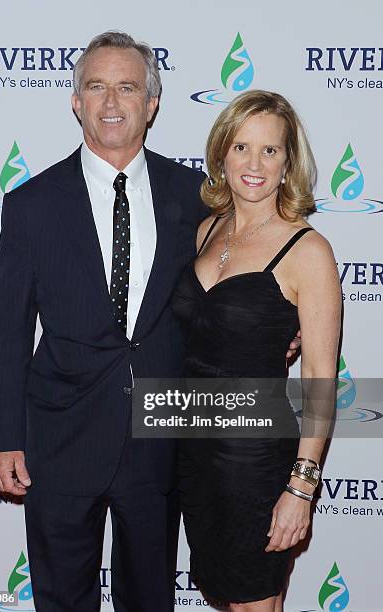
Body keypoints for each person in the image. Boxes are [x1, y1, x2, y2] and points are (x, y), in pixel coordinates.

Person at [0, 32, 301, 611]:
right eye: (96, 87)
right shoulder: (32, 203)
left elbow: (245, 279)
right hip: (60, 440)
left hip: (163, 438)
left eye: (127, 87)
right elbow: (7, 330)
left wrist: (283, 325)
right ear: (75, 101)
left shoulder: (198, 199)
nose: (111, 102)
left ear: (151, 104)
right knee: (61, 599)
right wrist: (3, 437)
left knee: (151, 598)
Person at [173, 90, 341, 611]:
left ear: (289, 161)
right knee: (224, 596)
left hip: (255, 460)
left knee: (254, 602)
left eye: (270, 151)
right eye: (242, 147)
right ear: (222, 153)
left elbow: (320, 381)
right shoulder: (206, 230)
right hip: (194, 452)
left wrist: (301, 488)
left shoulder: (307, 250)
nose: (254, 164)